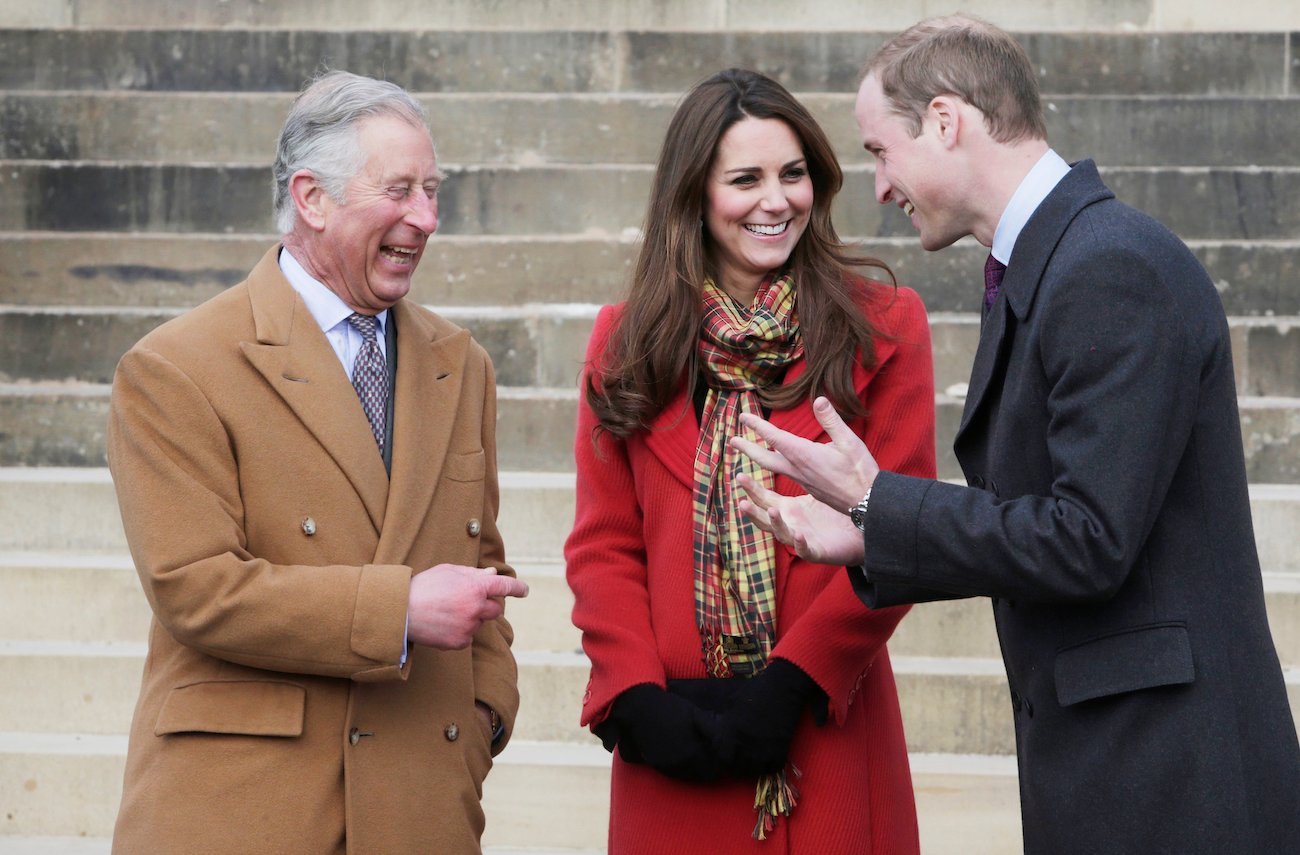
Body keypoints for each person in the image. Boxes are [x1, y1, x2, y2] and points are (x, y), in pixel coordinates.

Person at [731, 16, 1300, 854]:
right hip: (1122, 762)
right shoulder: (1056, 260)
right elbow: (1049, 519)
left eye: (881, 150)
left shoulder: (1109, 266)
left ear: (947, 121)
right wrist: (869, 530)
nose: (879, 186)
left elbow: (1087, 539)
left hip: (1172, 780)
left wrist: (877, 498)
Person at [105, 70, 529, 854]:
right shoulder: (175, 365)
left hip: (419, 806)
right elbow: (195, 588)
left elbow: (483, 567)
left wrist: (483, 720)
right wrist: (396, 610)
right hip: (248, 810)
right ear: (312, 198)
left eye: (432, 190)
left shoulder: (462, 364)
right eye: (400, 190)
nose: (426, 218)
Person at [563, 68, 935, 853]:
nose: (777, 200)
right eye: (746, 179)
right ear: (695, 194)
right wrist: (634, 697)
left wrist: (793, 682)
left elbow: (904, 530)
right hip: (674, 748)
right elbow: (603, 545)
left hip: (825, 730)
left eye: (793, 173)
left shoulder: (887, 327)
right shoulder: (622, 343)